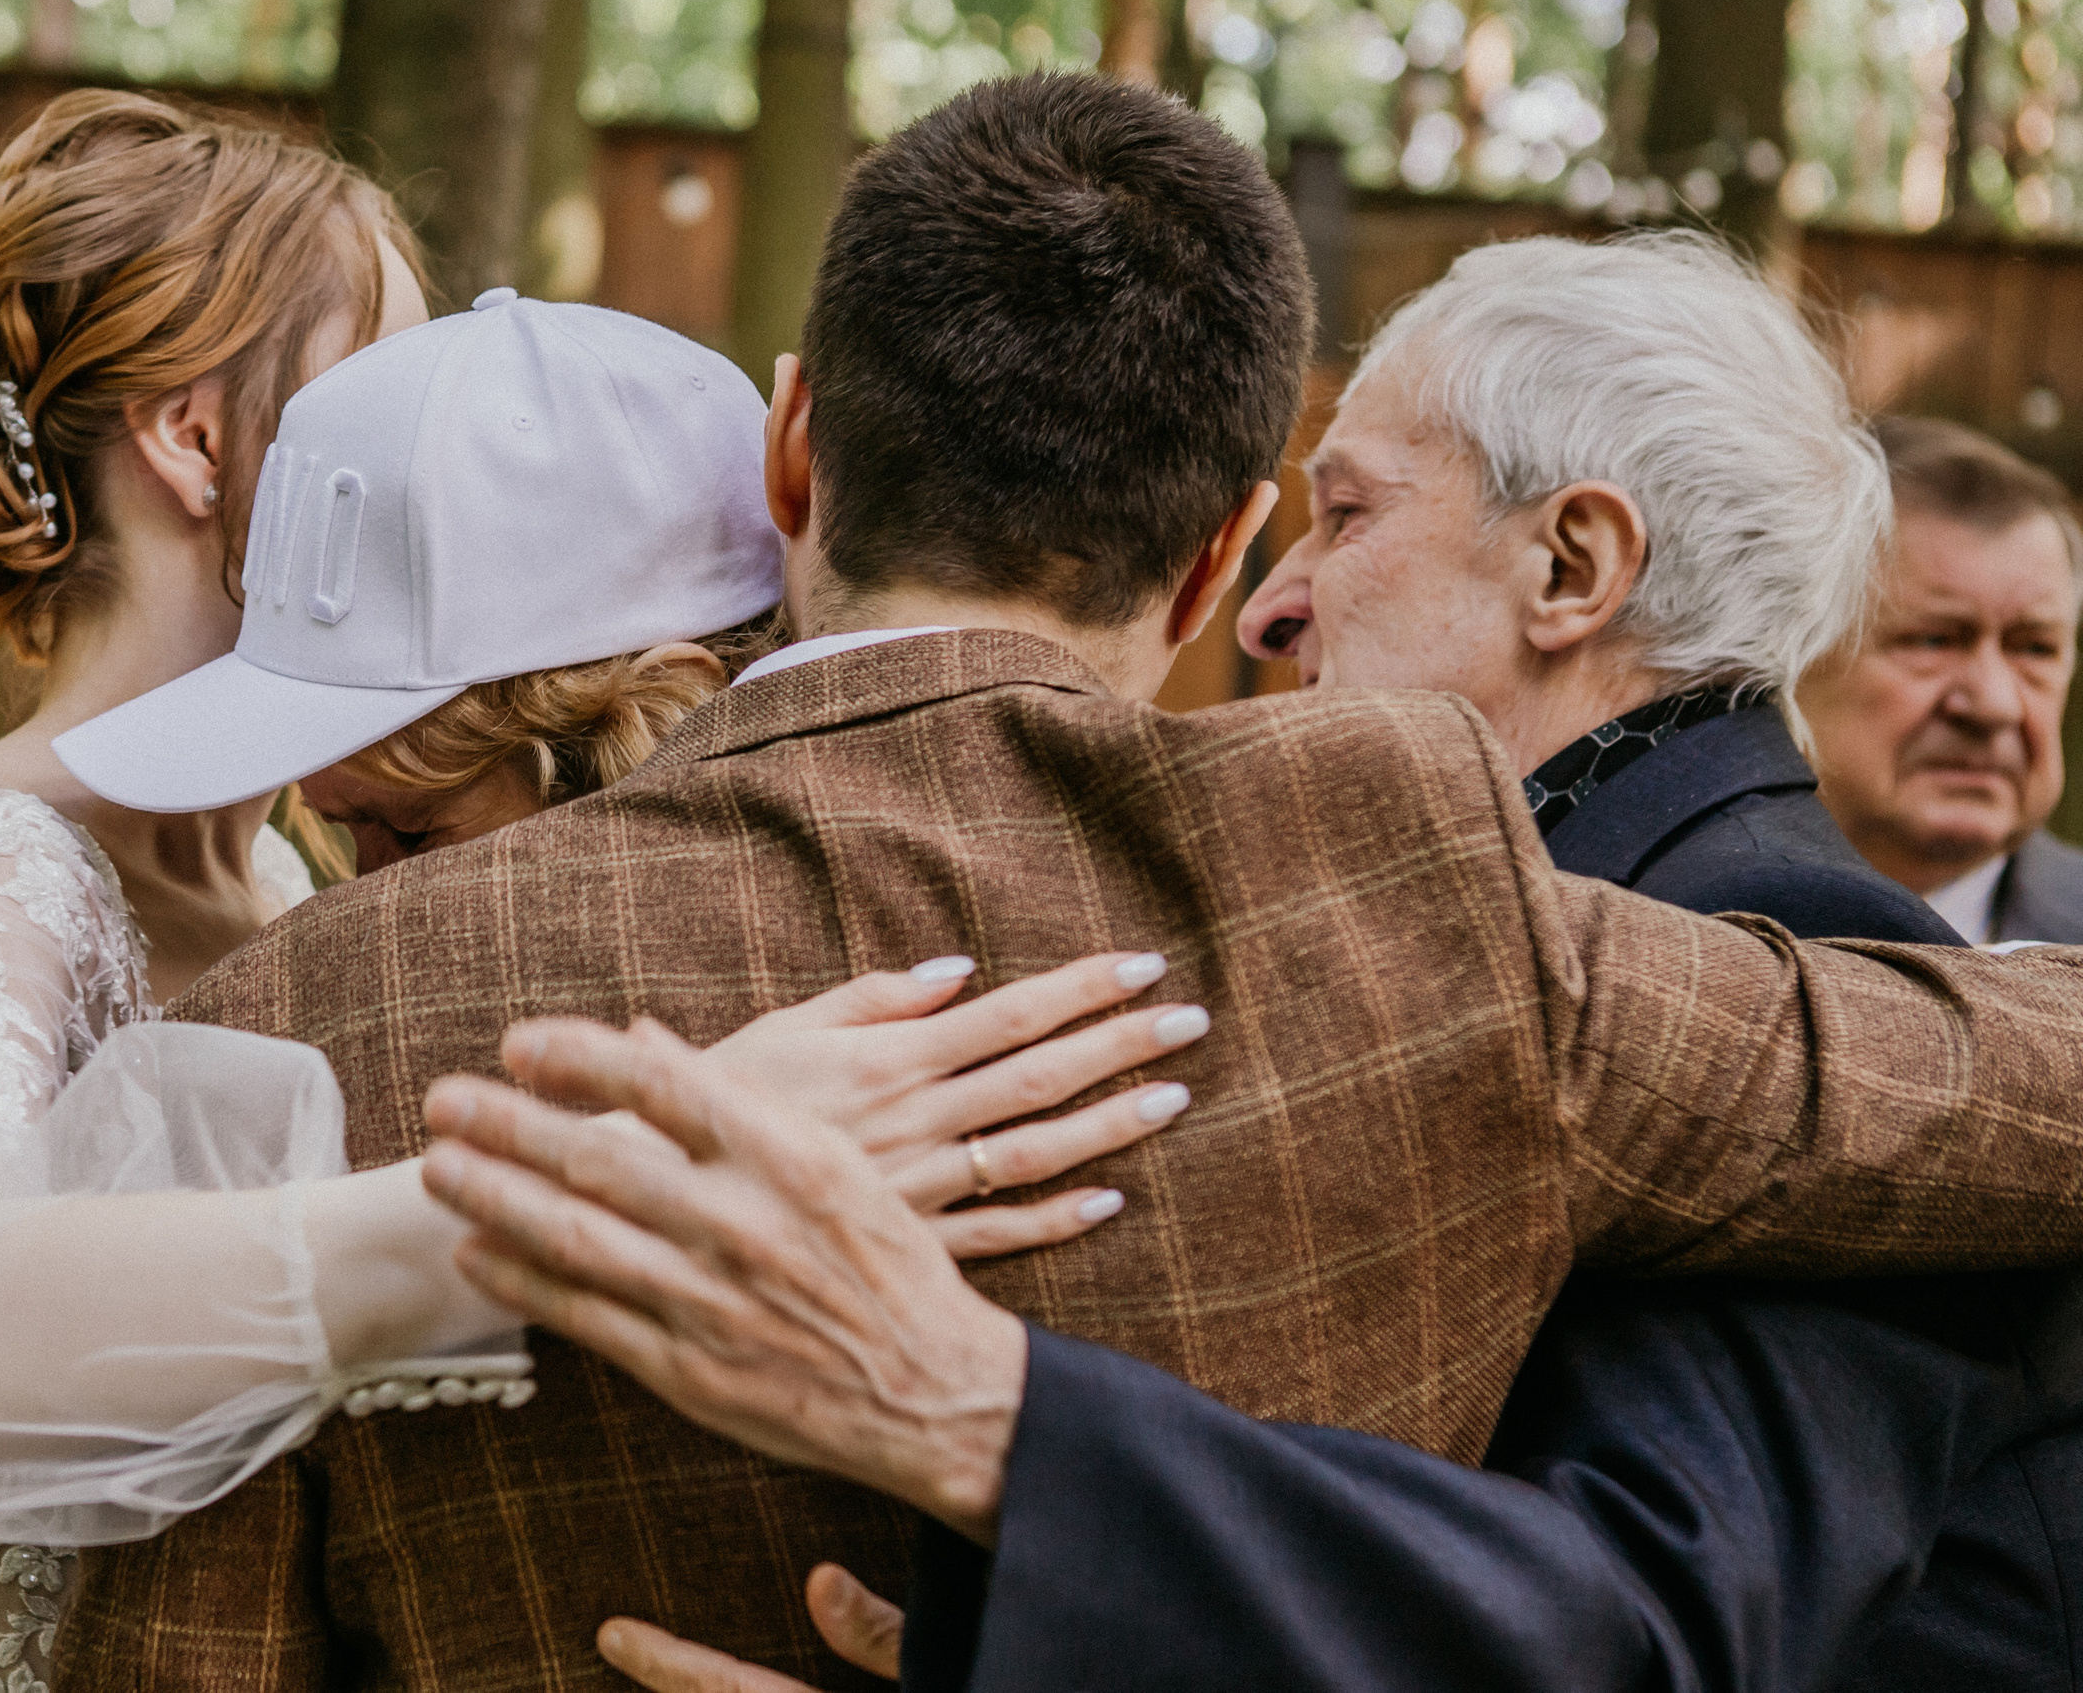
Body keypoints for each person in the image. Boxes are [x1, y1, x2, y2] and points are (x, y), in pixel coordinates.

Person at [49, 74, 2083, 1693]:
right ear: (1207, 550)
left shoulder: (276, 1036)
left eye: (1349, 516)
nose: (1286, 602)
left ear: (793, 455)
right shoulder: (1419, 904)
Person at [0, 92, 1180, 1693]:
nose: (434, 427)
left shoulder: (285, 876)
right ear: (197, 435)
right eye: (381, 379)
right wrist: (589, 1196)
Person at [561, 233, 2083, 1693]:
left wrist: (992, 1425)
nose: (1274, 599)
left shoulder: (1785, 942)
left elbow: (1643, 1625)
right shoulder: (1500, 900)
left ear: (1573, 564)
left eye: (1345, 515)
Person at [1804, 414, 2083, 945]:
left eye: (2034, 648)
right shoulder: (1663, 927)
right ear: (1791, 658)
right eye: (1935, 640)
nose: (1994, 705)